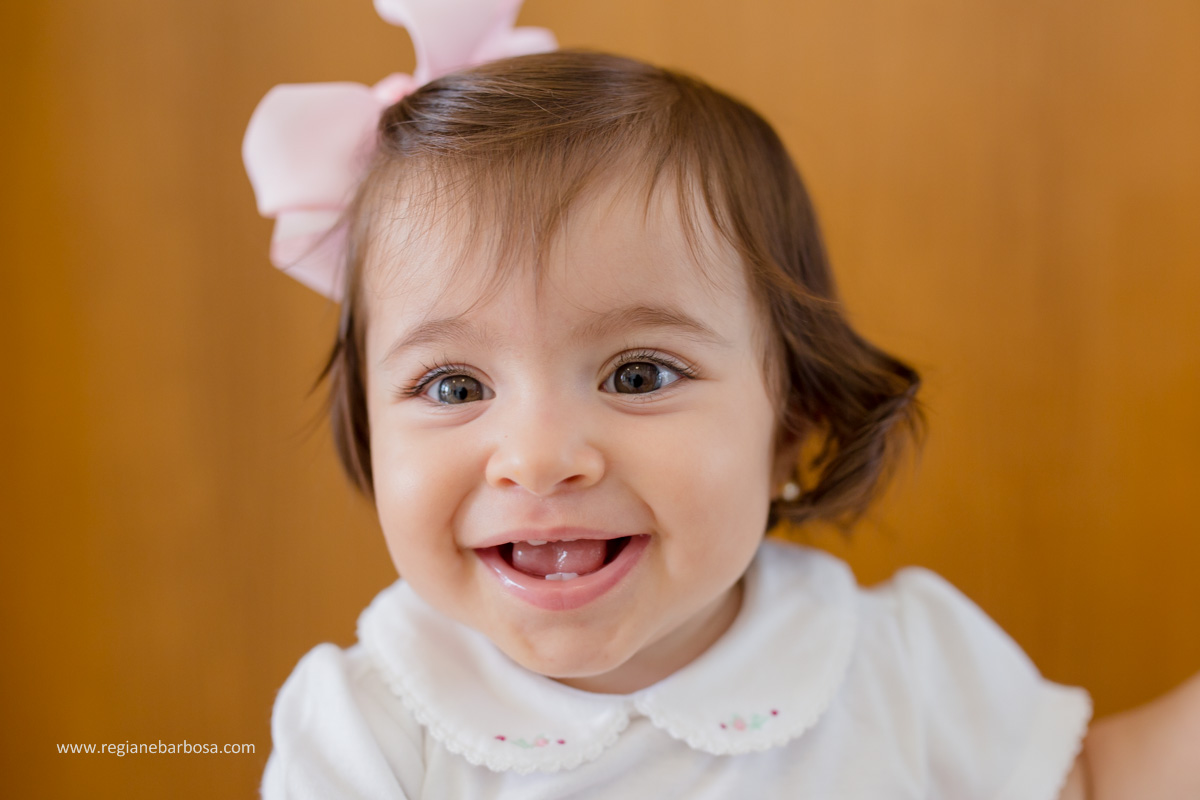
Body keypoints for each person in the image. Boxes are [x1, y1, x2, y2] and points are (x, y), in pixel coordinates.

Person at [242, 2, 1199, 797]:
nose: (537, 457)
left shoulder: (898, 663)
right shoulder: (370, 729)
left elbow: (1100, 783)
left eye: (638, 375)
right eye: (454, 386)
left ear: (792, 424)